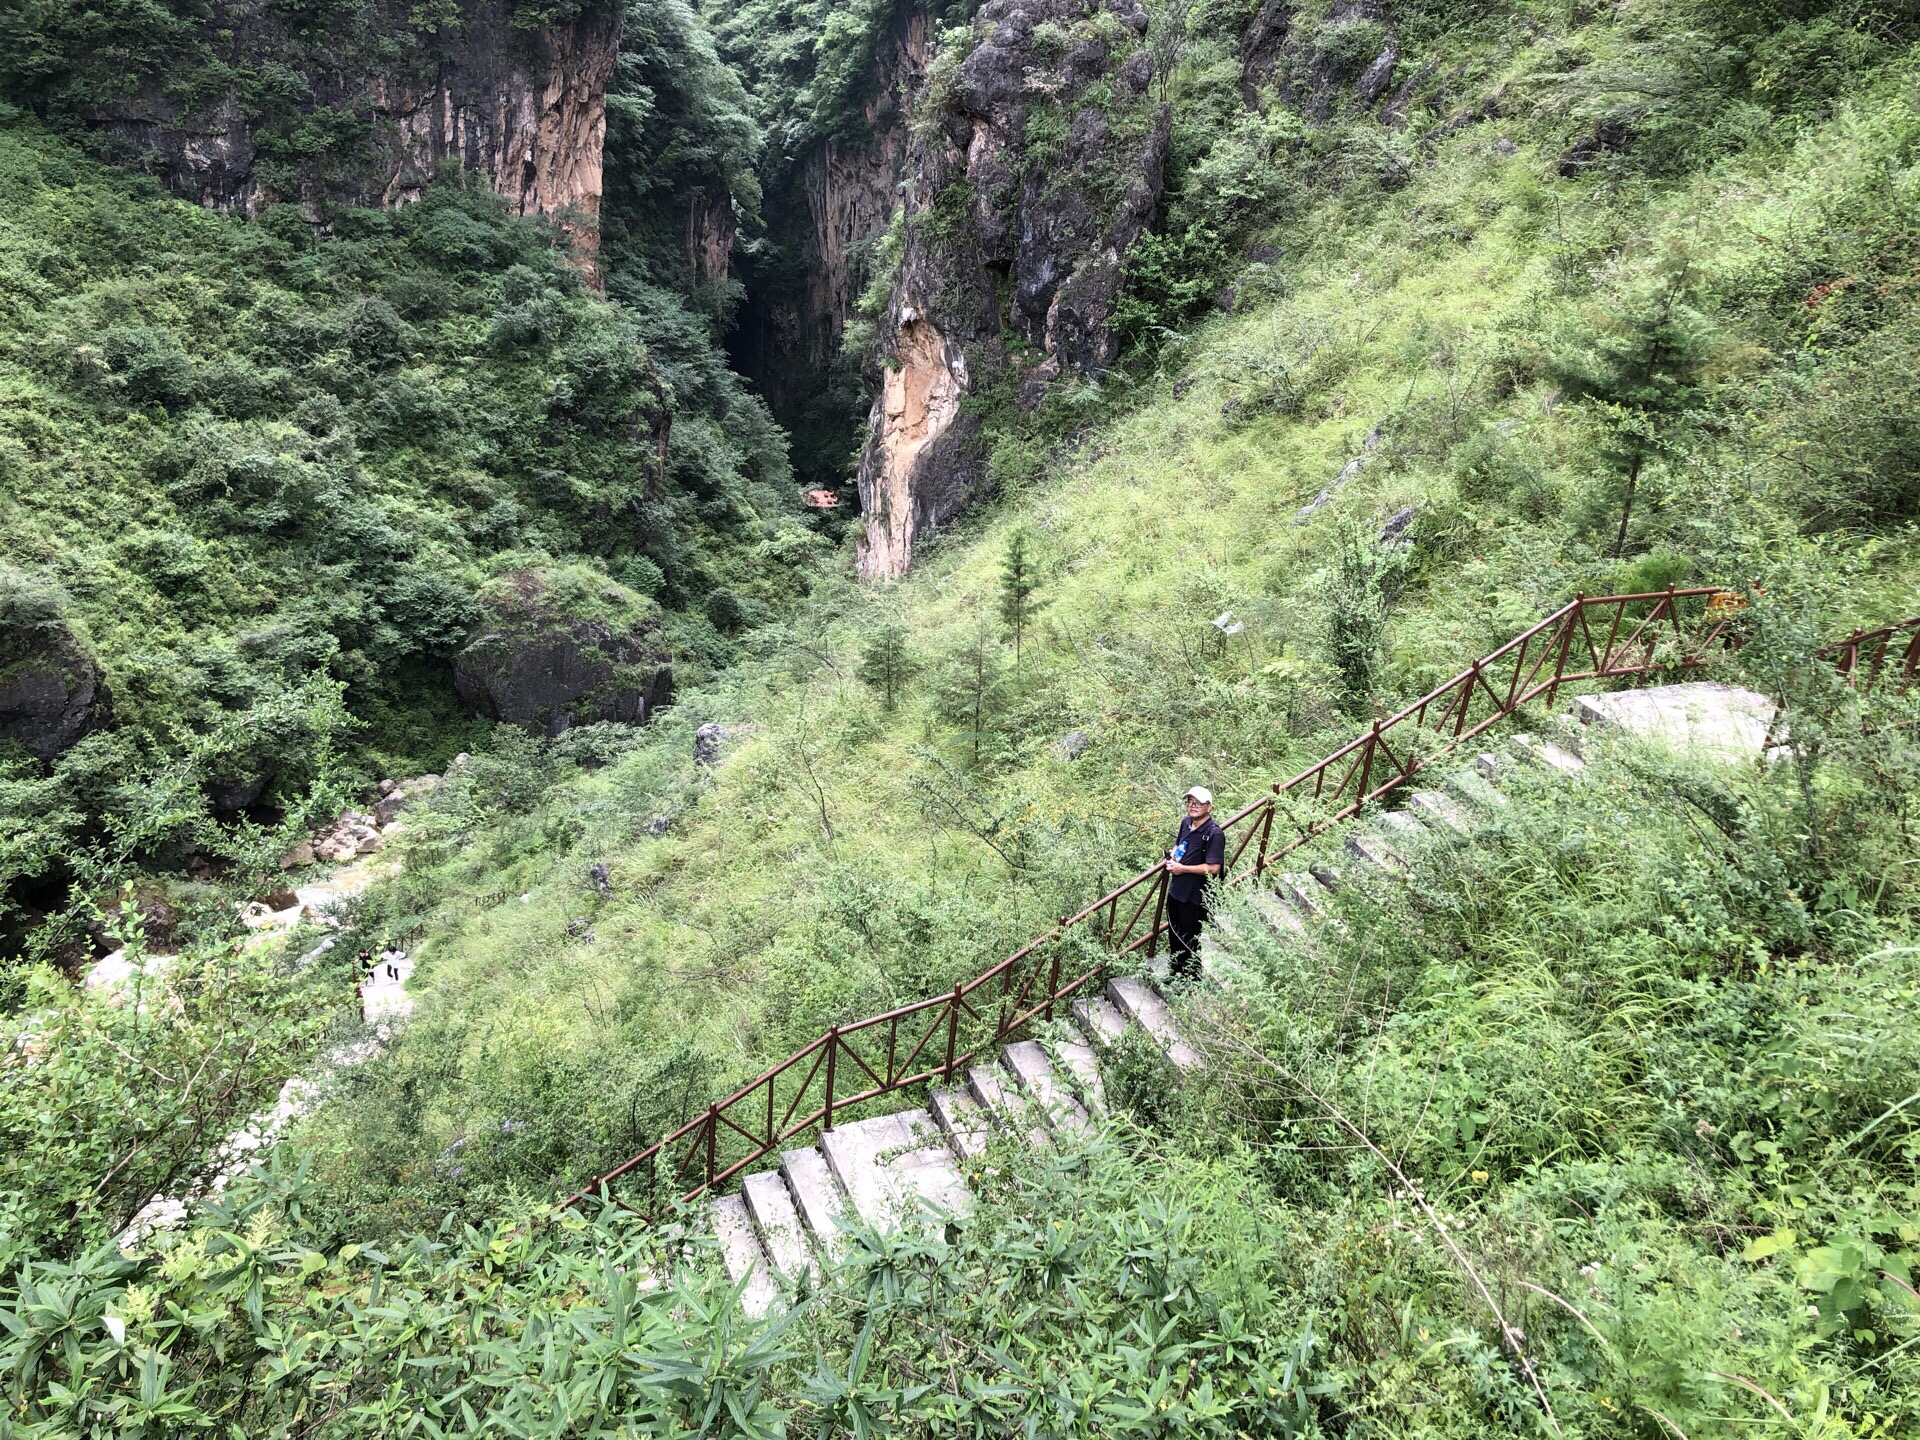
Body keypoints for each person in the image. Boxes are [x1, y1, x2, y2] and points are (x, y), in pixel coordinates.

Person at [1164, 785, 1225, 983]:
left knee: (1190, 939)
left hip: (1194, 896)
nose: (1193, 806)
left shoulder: (1214, 834)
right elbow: (1180, 844)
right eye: (1190, 801)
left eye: (1198, 803)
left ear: (1209, 806)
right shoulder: (1185, 823)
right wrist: (1173, 856)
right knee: (1174, 934)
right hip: (1176, 891)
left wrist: (1183, 869)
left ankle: (1191, 979)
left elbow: (1213, 867)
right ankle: (1175, 973)